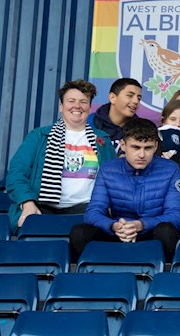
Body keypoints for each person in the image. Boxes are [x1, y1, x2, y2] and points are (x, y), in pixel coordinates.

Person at [7, 79, 116, 231]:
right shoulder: (39, 136)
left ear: (90, 107)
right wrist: (28, 203)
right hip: (42, 208)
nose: (77, 106)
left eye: (83, 102)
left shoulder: (102, 140)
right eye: (71, 101)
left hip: (86, 211)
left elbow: (114, 178)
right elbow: (16, 173)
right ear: (61, 106)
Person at [69, 118, 180, 260]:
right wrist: (114, 226)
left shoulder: (170, 169)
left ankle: (165, 279)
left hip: (151, 232)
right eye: (135, 147)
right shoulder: (108, 169)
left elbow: (177, 215)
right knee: (80, 232)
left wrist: (141, 225)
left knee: (167, 231)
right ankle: (89, 277)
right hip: (118, 232)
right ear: (123, 145)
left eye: (147, 148)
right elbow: (93, 212)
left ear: (155, 147)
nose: (142, 155)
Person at [92, 77, 143, 150]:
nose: (136, 101)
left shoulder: (141, 129)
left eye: (139, 98)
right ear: (112, 98)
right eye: (130, 95)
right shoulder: (89, 123)